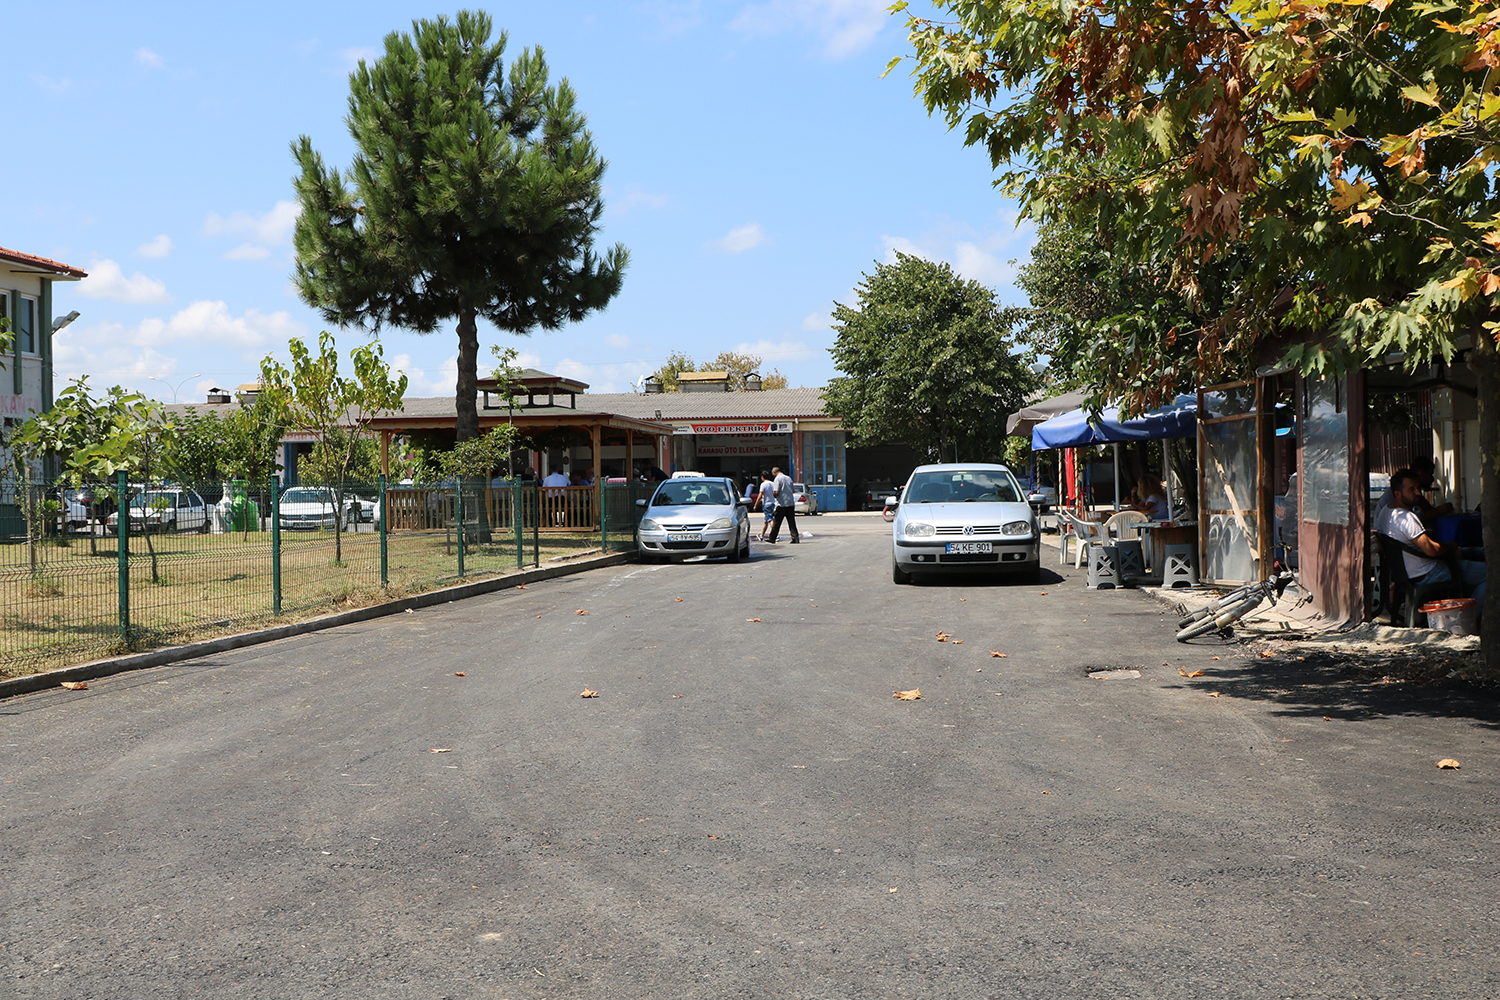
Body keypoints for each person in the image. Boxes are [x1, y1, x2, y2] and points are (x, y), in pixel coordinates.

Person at [1376, 467, 1485, 614]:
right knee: (1492, 574)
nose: (1418, 493)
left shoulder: (1386, 512)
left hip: (1410, 571)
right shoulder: (1406, 517)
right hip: (1429, 572)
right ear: (1398, 494)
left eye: (1418, 488)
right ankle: (1470, 617)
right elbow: (1432, 550)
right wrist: (1449, 547)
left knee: (1477, 552)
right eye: (1412, 489)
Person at [1373, 457, 1453, 524]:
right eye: (1430, 474)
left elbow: (1427, 508)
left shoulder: (1412, 494)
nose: (1432, 479)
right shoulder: (1402, 495)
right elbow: (1412, 523)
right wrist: (1438, 511)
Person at [766, 465, 800, 544]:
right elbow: (793, 491)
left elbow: (776, 492)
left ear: (774, 472)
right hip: (790, 503)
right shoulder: (788, 478)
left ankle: (772, 538)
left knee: (777, 522)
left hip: (781, 504)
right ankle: (795, 538)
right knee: (791, 522)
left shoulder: (777, 479)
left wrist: (774, 495)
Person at [756, 470, 776, 541]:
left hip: (767, 504)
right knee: (766, 521)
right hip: (772, 503)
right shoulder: (772, 483)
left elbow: (760, 495)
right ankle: (762, 535)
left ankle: (774, 534)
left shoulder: (763, 484)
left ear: (762, 477)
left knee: (770, 519)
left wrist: (756, 504)